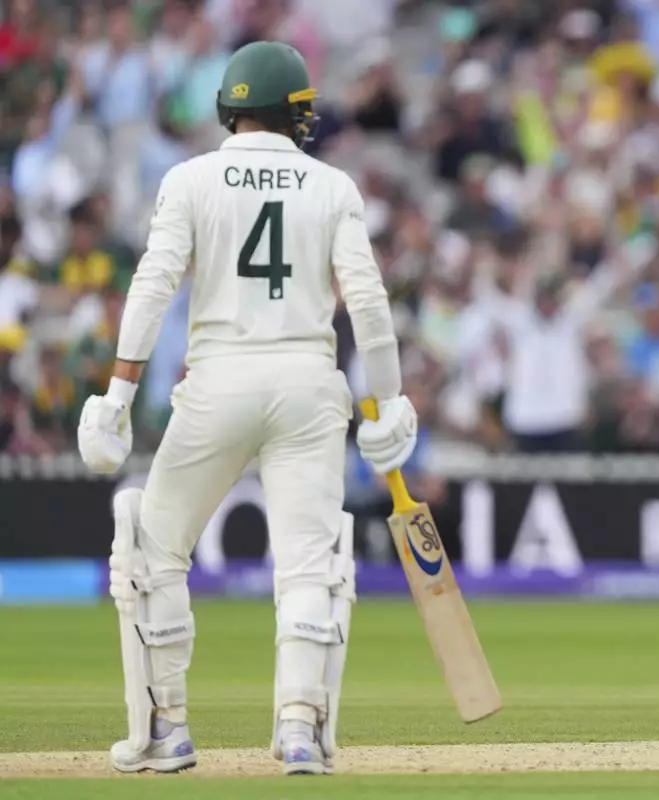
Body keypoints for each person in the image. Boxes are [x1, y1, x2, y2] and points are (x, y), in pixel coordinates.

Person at [74, 41, 418, 776]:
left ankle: (165, 730)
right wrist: (387, 404)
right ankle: (300, 729)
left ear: (230, 107)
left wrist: (120, 393)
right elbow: (369, 304)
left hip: (218, 382)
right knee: (309, 563)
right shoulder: (332, 185)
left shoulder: (191, 179)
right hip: (307, 385)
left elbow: (153, 284)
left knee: (151, 547)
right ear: (294, 112)